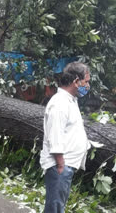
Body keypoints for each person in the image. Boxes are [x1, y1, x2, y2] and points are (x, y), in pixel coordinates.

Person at [40, 62, 91, 213]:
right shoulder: (60, 103)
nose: (87, 86)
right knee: (55, 209)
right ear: (76, 81)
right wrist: (61, 164)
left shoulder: (70, 100)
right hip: (60, 165)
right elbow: (55, 136)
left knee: (56, 206)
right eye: (86, 81)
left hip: (65, 165)